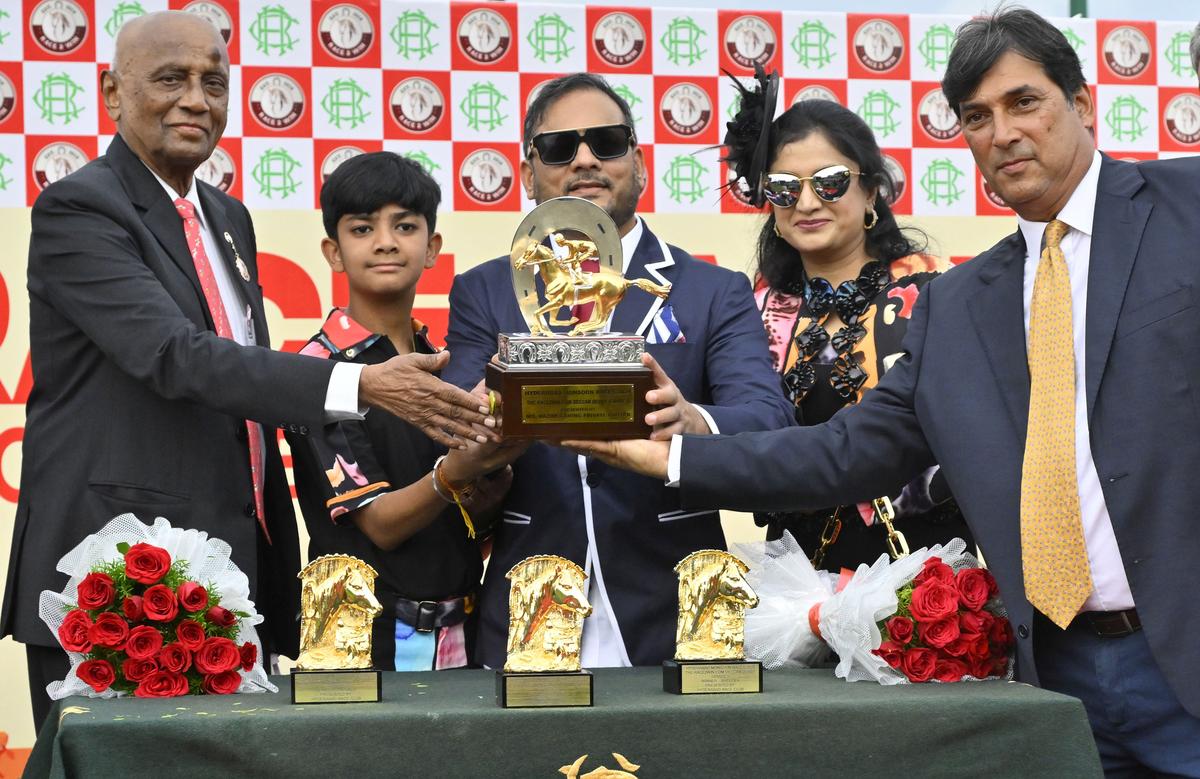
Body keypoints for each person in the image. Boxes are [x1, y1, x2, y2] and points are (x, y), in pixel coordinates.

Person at [569, 9, 1200, 774]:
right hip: (1051, 681)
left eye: (1024, 102)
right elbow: (846, 453)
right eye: (976, 117)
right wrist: (668, 458)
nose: (1001, 133)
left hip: (1182, 656)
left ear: (1084, 104)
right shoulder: (962, 303)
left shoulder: (1185, 208)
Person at [2, 11, 492, 730]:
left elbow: (240, 407)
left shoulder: (228, 218)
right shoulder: (82, 208)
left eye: (213, 82)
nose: (196, 100)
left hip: (232, 583)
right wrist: (360, 383)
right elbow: (175, 356)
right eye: (171, 79)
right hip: (121, 584)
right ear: (111, 92)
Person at [442, 73, 794, 671]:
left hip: (679, 609)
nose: (584, 159)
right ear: (528, 172)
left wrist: (689, 421)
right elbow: (454, 428)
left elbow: (767, 418)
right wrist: (482, 416)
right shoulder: (483, 290)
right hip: (529, 603)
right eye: (558, 147)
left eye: (606, 142)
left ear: (639, 161)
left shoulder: (712, 291)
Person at [288, 151, 526, 671]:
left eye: (405, 225)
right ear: (333, 252)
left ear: (432, 247)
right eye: (362, 228)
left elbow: (463, 531)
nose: (386, 241)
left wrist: (486, 494)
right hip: (363, 646)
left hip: (467, 631)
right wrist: (454, 475)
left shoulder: (447, 362)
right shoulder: (316, 370)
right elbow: (380, 525)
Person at [724, 74, 972, 572]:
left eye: (830, 182)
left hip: (922, 578)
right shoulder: (750, 311)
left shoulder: (933, 297)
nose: (808, 202)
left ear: (872, 191)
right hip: (791, 579)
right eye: (785, 187)